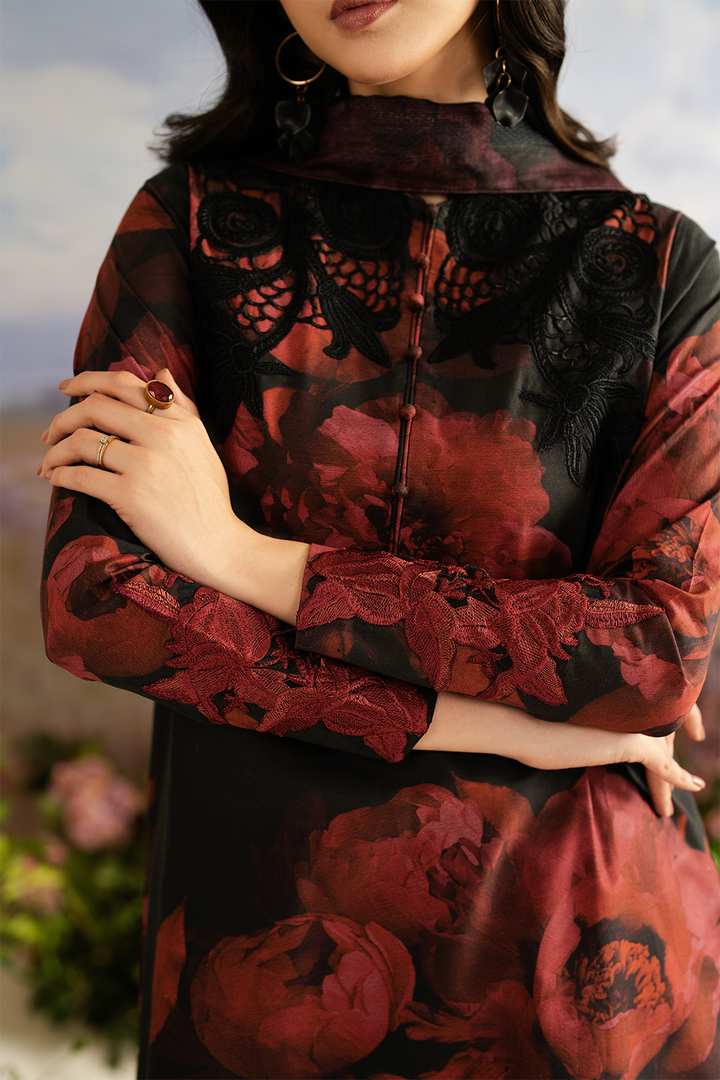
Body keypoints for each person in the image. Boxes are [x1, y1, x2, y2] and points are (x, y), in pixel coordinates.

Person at [38, 1, 720, 1076]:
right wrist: (512, 727)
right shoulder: (189, 225)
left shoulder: (663, 264)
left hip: (582, 968)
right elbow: (96, 604)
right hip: (261, 986)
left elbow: (656, 652)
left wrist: (242, 558)